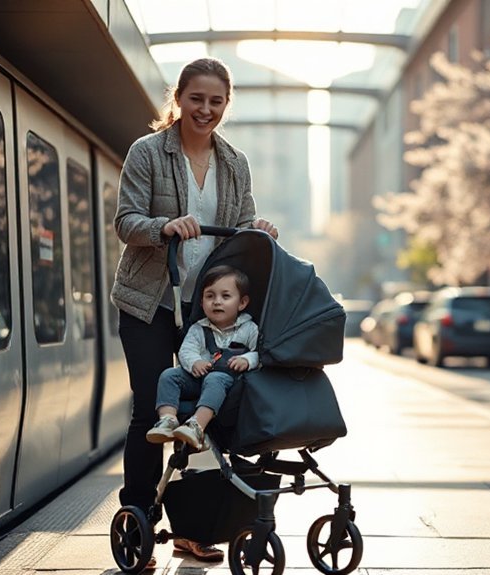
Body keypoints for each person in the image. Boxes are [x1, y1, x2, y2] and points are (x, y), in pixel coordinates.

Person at [111, 57, 278, 565]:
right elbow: (125, 221)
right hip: (151, 305)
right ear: (178, 99)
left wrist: (260, 231)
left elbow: (243, 224)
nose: (205, 110)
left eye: (216, 101)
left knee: (205, 412)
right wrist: (163, 225)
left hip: (211, 313)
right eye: (196, 99)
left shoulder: (235, 162)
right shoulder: (148, 152)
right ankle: (139, 514)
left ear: (226, 104)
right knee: (151, 408)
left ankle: (192, 524)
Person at [146, 265, 258, 449]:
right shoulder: (198, 329)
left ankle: (197, 425)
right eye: (210, 296)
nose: (217, 302)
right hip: (199, 379)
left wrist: (247, 360)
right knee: (169, 375)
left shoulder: (249, 329)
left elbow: (259, 354)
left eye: (226, 296)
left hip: (231, 382)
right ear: (201, 303)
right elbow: (186, 351)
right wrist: (194, 362)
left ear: (242, 303)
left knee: (215, 378)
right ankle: (168, 420)